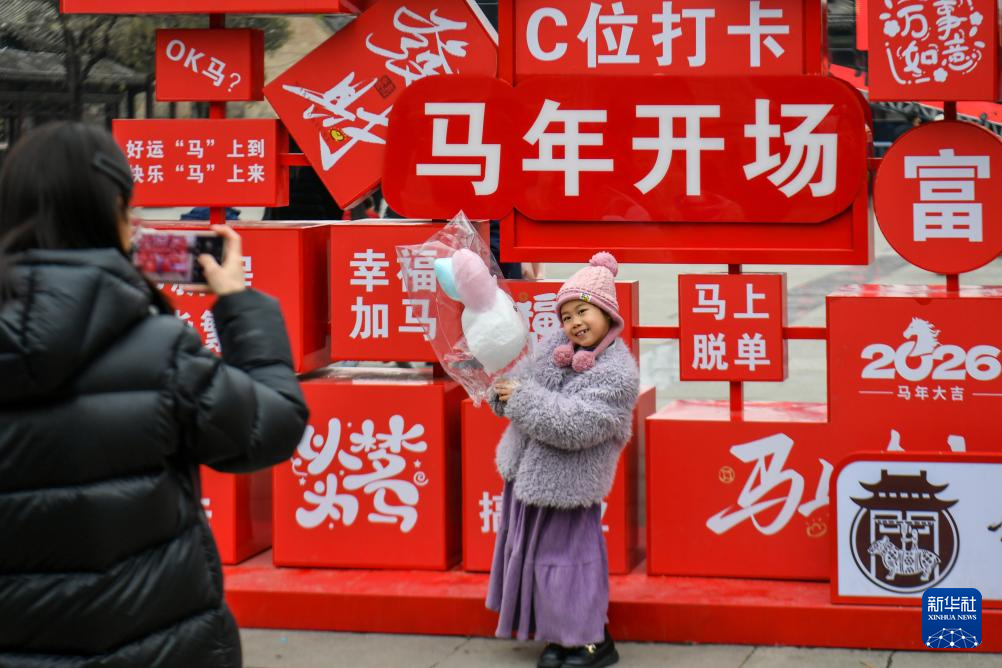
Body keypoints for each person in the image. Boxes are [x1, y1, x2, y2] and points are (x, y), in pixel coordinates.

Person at [0, 122, 308, 667]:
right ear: (117, 211)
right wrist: (237, 302)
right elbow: (271, 426)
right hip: (155, 645)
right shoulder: (158, 349)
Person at [487, 252, 639, 668]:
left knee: (571, 562)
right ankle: (559, 635)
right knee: (540, 560)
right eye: (567, 315)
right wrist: (501, 391)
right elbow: (525, 382)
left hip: (569, 486)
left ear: (608, 313)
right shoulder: (556, 349)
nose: (574, 323)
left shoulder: (617, 373)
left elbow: (574, 424)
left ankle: (590, 638)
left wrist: (520, 398)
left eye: (583, 311)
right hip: (530, 477)